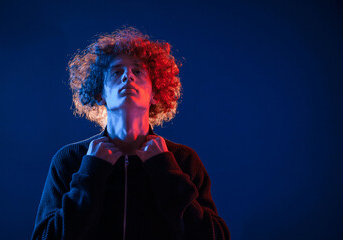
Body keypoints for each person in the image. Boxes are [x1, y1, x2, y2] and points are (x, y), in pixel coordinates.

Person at [32, 27, 230, 240]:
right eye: (117, 72)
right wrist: (91, 173)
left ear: (155, 93)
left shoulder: (182, 160)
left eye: (138, 71)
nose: (128, 76)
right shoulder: (70, 160)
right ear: (100, 94)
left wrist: (165, 170)